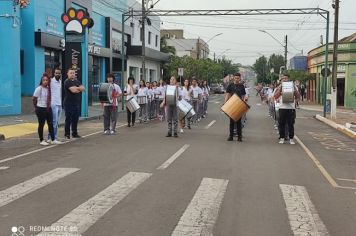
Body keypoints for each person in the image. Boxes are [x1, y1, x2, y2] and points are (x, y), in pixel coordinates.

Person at [33, 73, 61, 145]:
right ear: (41, 81)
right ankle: (41, 140)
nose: (45, 81)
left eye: (46, 80)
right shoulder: (39, 88)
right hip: (41, 109)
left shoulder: (49, 89)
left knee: (50, 123)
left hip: (48, 108)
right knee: (41, 124)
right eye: (44, 80)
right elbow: (34, 99)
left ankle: (53, 139)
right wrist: (36, 108)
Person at [273, 74, 300, 145]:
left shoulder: (293, 86)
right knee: (281, 123)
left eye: (286, 78)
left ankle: (291, 138)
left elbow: (298, 96)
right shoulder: (279, 87)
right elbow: (275, 96)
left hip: (290, 108)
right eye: (283, 78)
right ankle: (282, 138)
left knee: (291, 124)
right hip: (282, 107)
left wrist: (293, 89)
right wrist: (281, 89)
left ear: (289, 79)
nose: (284, 79)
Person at [63, 68, 85, 139]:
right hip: (68, 104)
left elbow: (83, 88)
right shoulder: (67, 81)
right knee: (68, 119)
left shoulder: (77, 81)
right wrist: (78, 88)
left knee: (75, 119)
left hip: (76, 104)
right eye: (71, 73)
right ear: (68, 74)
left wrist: (77, 88)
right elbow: (73, 91)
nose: (72, 74)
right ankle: (67, 134)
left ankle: (74, 133)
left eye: (73, 73)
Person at [225, 73, 247, 142]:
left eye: (238, 78)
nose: (236, 79)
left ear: (240, 78)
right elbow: (227, 94)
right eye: (235, 78)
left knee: (238, 122)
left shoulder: (242, 86)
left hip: (239, 104)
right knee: (231, 122)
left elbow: (243, 95)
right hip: (231, 104)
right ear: (234, 78)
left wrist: (243, 103)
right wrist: (225, 103)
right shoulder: (230, 85)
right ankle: (231, 136)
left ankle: (239, 137)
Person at [48, 68, 63, 143]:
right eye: (56, 73)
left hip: (59, 104)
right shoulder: (50, 81)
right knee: (54, 122)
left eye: (59, 73)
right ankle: (51, 138)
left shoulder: (60, 82)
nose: (58, 74)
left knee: (56, 122)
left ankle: (53, 137)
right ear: (54, 73)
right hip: (53, 104)